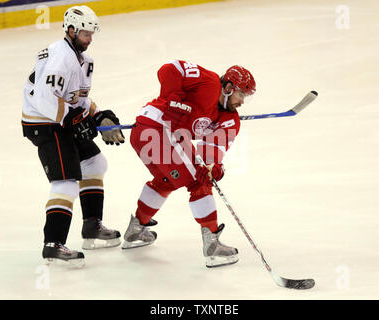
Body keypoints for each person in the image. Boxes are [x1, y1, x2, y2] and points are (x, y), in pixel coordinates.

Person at [122, 60, 256, 267]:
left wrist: (213, 167)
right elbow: (169, 69)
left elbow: (213, 150)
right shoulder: (210, 82)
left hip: (153, 136)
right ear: (229, 88)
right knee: (198, 182)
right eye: (242, 95)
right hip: (157, 127)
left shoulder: (229, 119)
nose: (242, 102)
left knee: (168, 180)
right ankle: (212, 245)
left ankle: (136, 230)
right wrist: (173, 98)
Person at [22, 5, 125, 267]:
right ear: (70, 30)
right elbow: (47, 99)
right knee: (66, 180)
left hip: (60, 120)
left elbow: (78, 98)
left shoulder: (82, 60)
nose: (90, 39)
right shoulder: (60, 57)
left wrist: (98, 116)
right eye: (85, 34)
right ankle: (53, 244)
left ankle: (91, 226)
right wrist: (71, 122)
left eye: (92, 34)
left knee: (95, 163)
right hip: (44, 123)